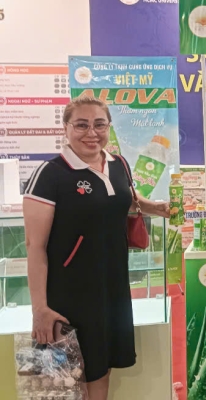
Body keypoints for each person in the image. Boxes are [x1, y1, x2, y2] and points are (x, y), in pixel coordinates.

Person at [23, 96, 170, 400]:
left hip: (112, 284)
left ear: (108, 127)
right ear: (66, 128)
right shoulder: (50, 174)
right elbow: (34, 247)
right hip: (69, 292)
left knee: (102, 365)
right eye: (81, 125)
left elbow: (123, 199)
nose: (92, 132)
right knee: (67, 377)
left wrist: (154, 207)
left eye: (99, 124)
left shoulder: (119, 164)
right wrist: (40, 309)